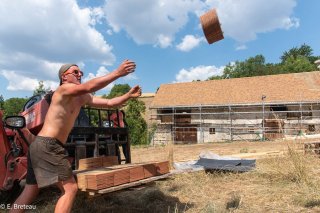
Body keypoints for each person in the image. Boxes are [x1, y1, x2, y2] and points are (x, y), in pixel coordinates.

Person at [10, 59, 141, 213]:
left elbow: (110, 103)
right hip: (48, 145)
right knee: (70, 189)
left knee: (31, 190)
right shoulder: (62, 90)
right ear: (64, 77)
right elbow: (90, 86)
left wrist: (128, 95)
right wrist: (118, 73)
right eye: (75, 72)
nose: (80, 75)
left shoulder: (82, 97)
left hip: (39, 146)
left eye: (81, 73)